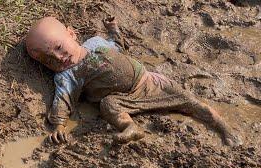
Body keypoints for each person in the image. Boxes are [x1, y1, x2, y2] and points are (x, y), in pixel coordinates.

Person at [25, 16, 242, 147]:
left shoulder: (95, 42)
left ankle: (223, 127)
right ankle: (131, 127)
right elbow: (62, 100)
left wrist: (113, 28)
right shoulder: (67, 76)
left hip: (148, 80)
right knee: (108, 105)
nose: (58, 58)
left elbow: (117, 44)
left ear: (71, 34)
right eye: (48, 60)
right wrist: (58, 124)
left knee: (188, 100)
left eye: (59, 48)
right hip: (122, 99)